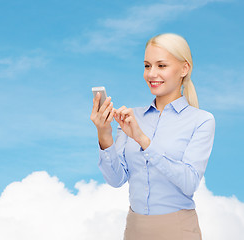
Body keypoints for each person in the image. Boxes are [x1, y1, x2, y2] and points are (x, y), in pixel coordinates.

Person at [90, 33, 215, 240]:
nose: (151, 74)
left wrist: (144, 141)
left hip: (179, 230)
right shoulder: (132, 117)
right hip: (135, 228)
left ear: (184, 69)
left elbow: (190, 182)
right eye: (147, 66)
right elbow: (116, 180)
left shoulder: (201, 121)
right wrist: (104, 134)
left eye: (161, 66)